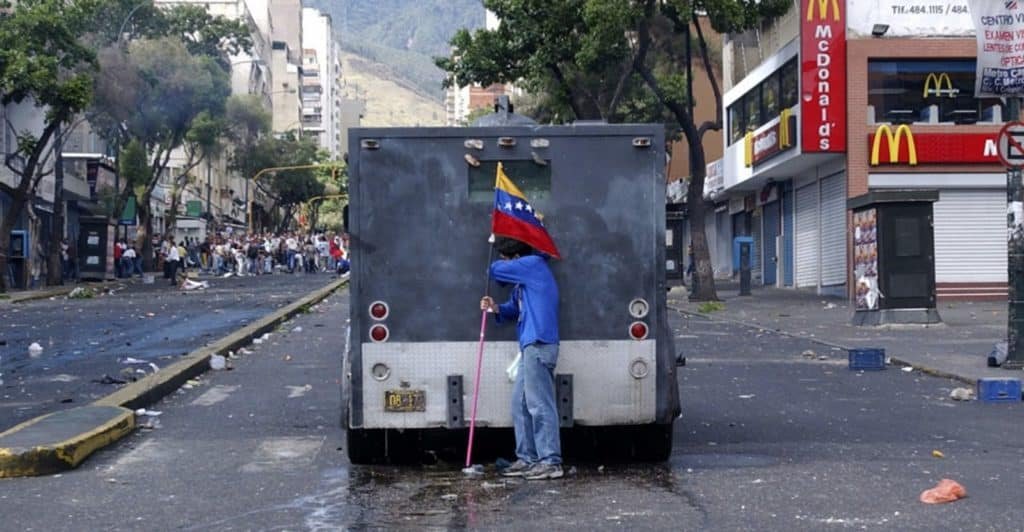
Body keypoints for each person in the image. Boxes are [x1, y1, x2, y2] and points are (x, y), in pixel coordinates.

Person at [479, 236, 562, 480]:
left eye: (507, 260)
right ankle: (528, 458)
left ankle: (550, 461)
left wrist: (493, 244)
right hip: (532, 345)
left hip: (539, 343)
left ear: (517, 259)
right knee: (522, 403)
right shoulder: (525, 282)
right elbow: (513, 309)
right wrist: (496, 308)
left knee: (539, 404)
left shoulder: (533, 265)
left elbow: (493, 270)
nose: (505, 266)